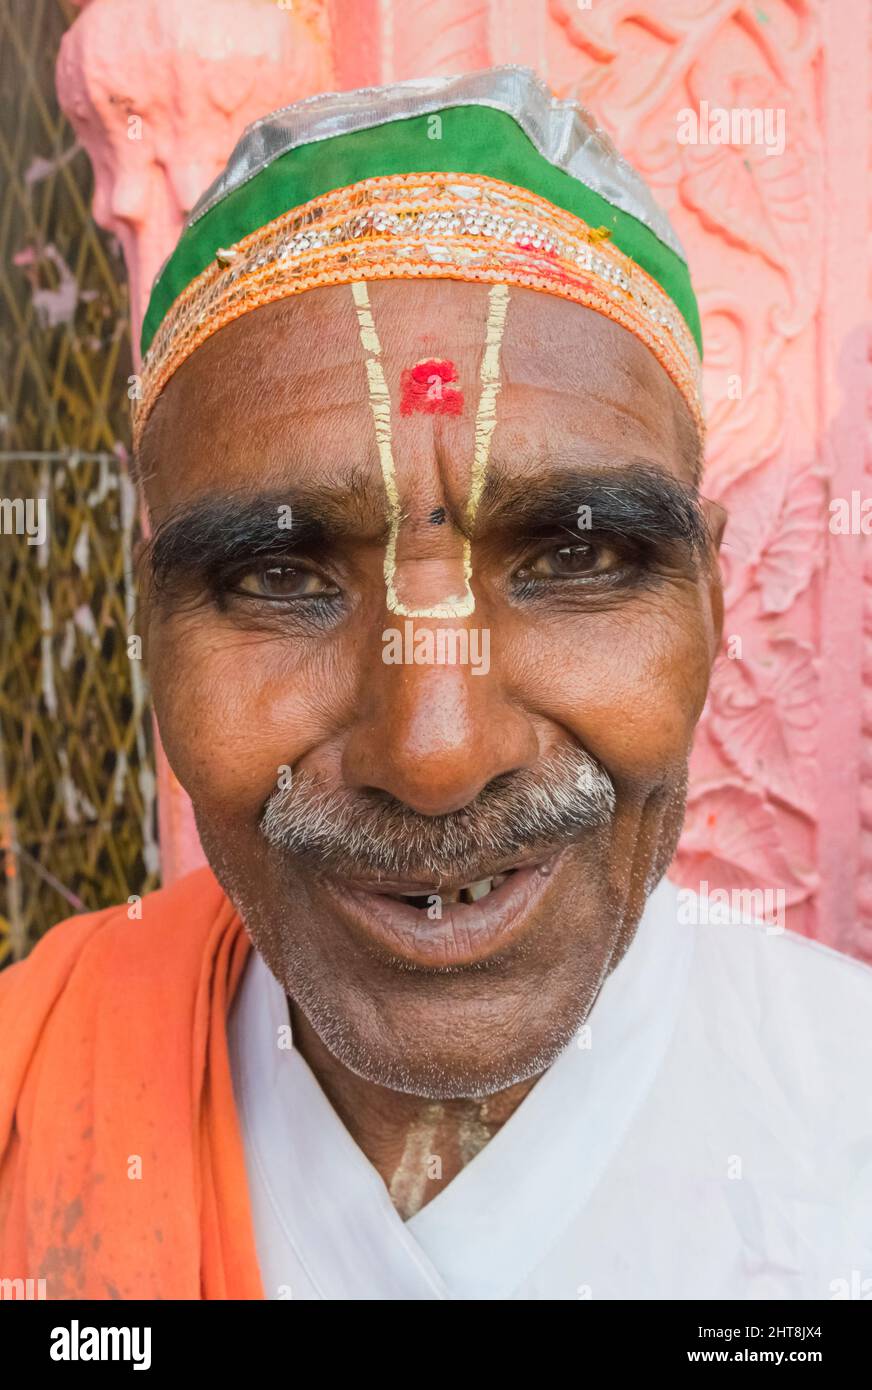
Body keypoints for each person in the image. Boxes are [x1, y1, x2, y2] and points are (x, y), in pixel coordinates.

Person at [1, 67, 869, 1301]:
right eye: (280, 574)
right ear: (149, 628)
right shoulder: (32, 1094)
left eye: (572, 556)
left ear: (711, 605)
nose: (435, 751)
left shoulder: (848, 1147)